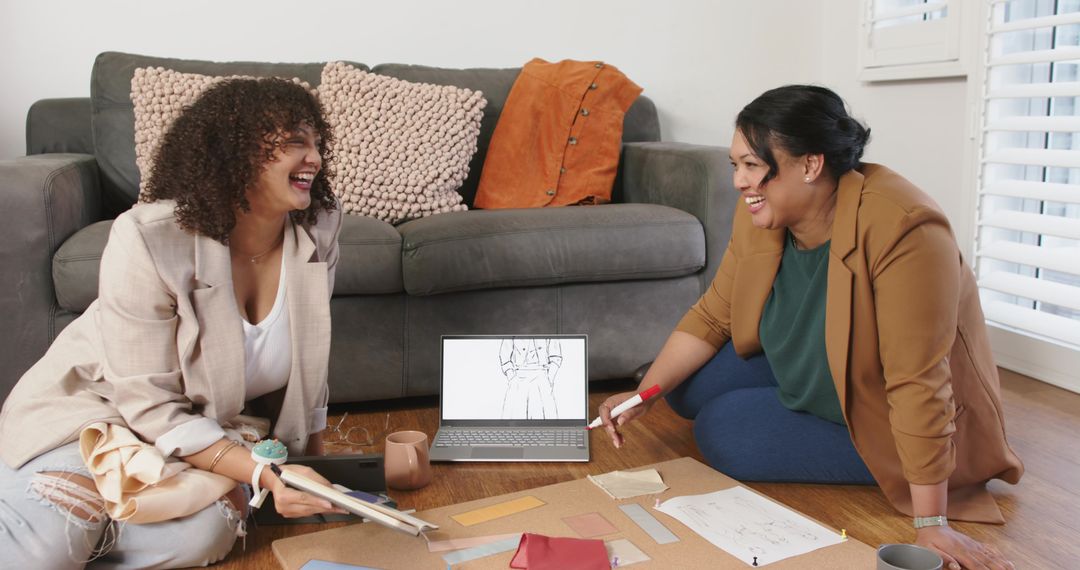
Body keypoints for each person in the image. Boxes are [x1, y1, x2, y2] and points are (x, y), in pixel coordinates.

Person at [596, 85, 1023, 570]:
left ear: (810, 164)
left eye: (752, 165)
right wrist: (641, 396)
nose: (739, 181)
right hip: (829, 364)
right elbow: (715, 314)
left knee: (724, 430)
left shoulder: (907, 230)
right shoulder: (764, 211)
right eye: (735, 165)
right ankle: (790, 399)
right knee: (681, 385)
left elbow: (917, 381)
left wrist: (932, 525)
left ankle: (831, 432)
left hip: (884, 410)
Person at [0, 77, 345, 568]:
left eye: (316, 143)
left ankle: (106, 513)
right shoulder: (148, 238)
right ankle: (68, 506)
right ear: (236, 154)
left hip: (202, 424)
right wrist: (267, 478)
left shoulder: (319, 228)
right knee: (50, 544)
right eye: (294, 143)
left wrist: (313, 468)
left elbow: (312, 361)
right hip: (101, 409)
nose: (313, 158)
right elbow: (150, 403)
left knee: (200, 539)